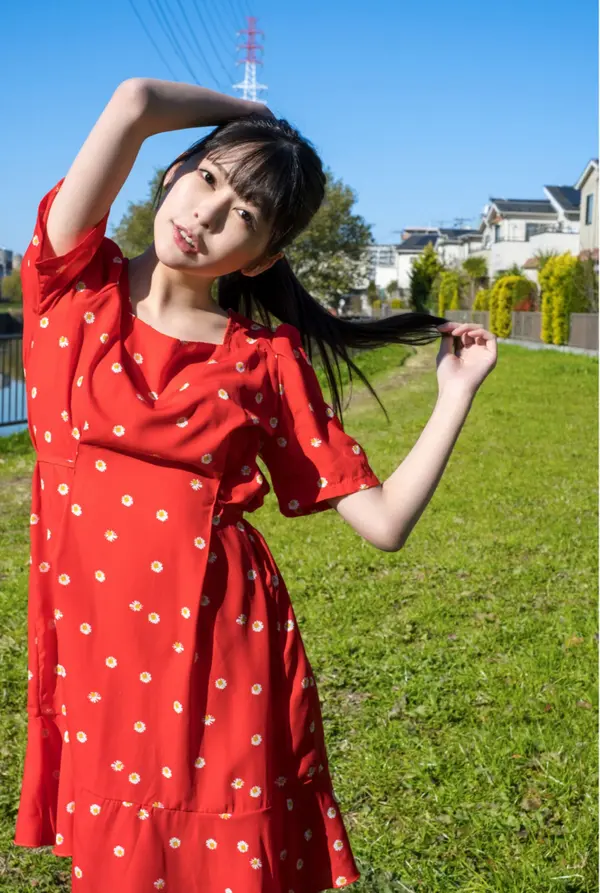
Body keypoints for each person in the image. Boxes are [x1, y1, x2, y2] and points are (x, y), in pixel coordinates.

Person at [13, 78, 497, 892]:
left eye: (242, 213)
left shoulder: (263, 359)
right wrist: (256, 119)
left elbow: (381, 521)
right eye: (207, 178)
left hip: (221, 652)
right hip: (97, 657)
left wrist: (455, 394)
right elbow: (133, 103)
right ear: (173, 172)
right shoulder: (70, 284)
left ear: (265, 255)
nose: (205, 214)